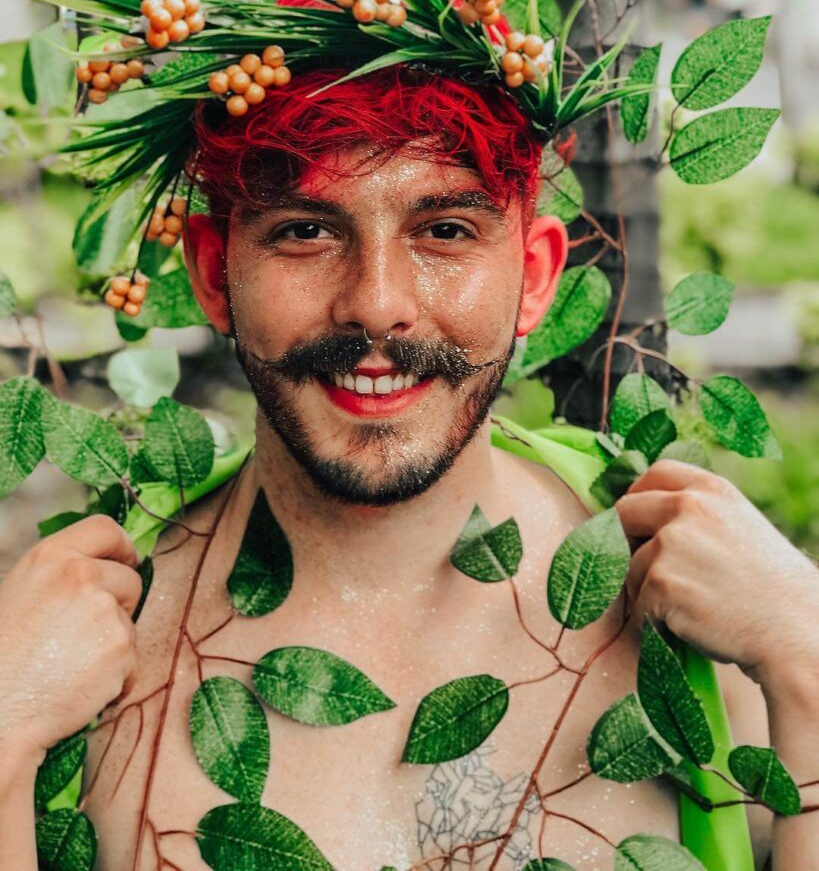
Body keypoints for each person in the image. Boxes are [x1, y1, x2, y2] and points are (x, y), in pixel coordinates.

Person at [0, 62, 818, 871]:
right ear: (215, 272)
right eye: (305, 230)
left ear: (532, 277)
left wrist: (806, 661)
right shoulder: (76, 648)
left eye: (445, 231)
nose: (377, 302)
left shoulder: (710, 634)